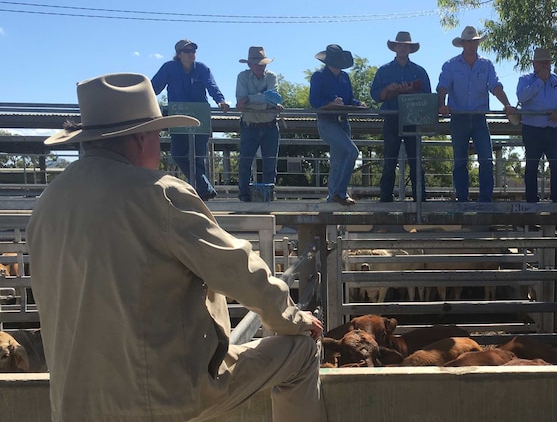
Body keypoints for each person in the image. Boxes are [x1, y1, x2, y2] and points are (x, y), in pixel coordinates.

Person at [27, 73, 325, 421]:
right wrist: (291, 318)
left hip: (73, 405)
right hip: (160, 399)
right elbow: (237, 268)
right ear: (141, 138)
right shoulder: (160, 193)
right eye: (158, 135)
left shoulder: (48, 203)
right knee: (302, 350)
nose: (161, 145)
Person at [437, 25, 516, 202]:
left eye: (475, 42)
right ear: (463, 44)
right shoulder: (450, 65)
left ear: (478, 43)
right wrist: (441, 105)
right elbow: (443, 86)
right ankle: (462, 199)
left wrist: (507, 104)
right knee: (459, 161)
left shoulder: (486, 64)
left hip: (480, 118)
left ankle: (485, 200)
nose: (472, 45)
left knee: (486, 159)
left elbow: (495, 85)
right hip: (458, 117)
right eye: (469, 42)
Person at [152, 39, 230, 200]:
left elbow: (211, 86)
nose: (191, 54)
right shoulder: (169, 68)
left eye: (193, 50)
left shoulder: (202, 68)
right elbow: (154, 88)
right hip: (178, 116)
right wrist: (144, 102)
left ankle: (201, 193)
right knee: (179, 154)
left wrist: (220, 101)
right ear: (179, 54)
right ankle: (204, 187)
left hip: (200, 116)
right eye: (187, 51)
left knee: (198, 157)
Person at [370, 31, 432, 202]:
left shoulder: (420, 71)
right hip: (391, 118)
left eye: (406, 45)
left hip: (414, 120)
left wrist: (409, 91)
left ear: (410, 49)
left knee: (416, 162)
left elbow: (428, 97)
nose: (403, 47)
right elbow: (376, 96)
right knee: (389, 162)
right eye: (400, 44)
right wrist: (389, 90)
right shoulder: (383, 71)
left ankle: (420, 200)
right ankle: (385, 200)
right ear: (395, 47)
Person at [515, 48, 557, 203]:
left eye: (547, 62)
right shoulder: (525, 79)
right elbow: (522, 97)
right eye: (541, 62)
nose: (544, 65)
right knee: (531, 167)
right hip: (532, 130)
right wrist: (540, 81)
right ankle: (531, 202)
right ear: (534, 64)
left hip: (554, 130)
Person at [309, 44, 366, 206]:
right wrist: (331, 103)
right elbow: (314, 101)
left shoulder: (345, 77)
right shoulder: (318, 76)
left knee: (336, 161)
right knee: (351, 151)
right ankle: (340, 193)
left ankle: (332, 196)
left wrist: (359, 103)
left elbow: (349, 100)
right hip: (327, 121)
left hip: (343, 122)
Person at [235, 46, 282, 202]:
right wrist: (266, 102)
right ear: (249, 65)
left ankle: (268, 196)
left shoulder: (272, 77)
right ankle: (244, 196)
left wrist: (250, 99)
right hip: (250, 126)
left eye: (263, 63)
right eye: (257, 63)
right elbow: (241, 100)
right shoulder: (242, 76)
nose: (261, 66)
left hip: (270, 126)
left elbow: (272, 99)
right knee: (244, 163)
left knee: (270, 164)